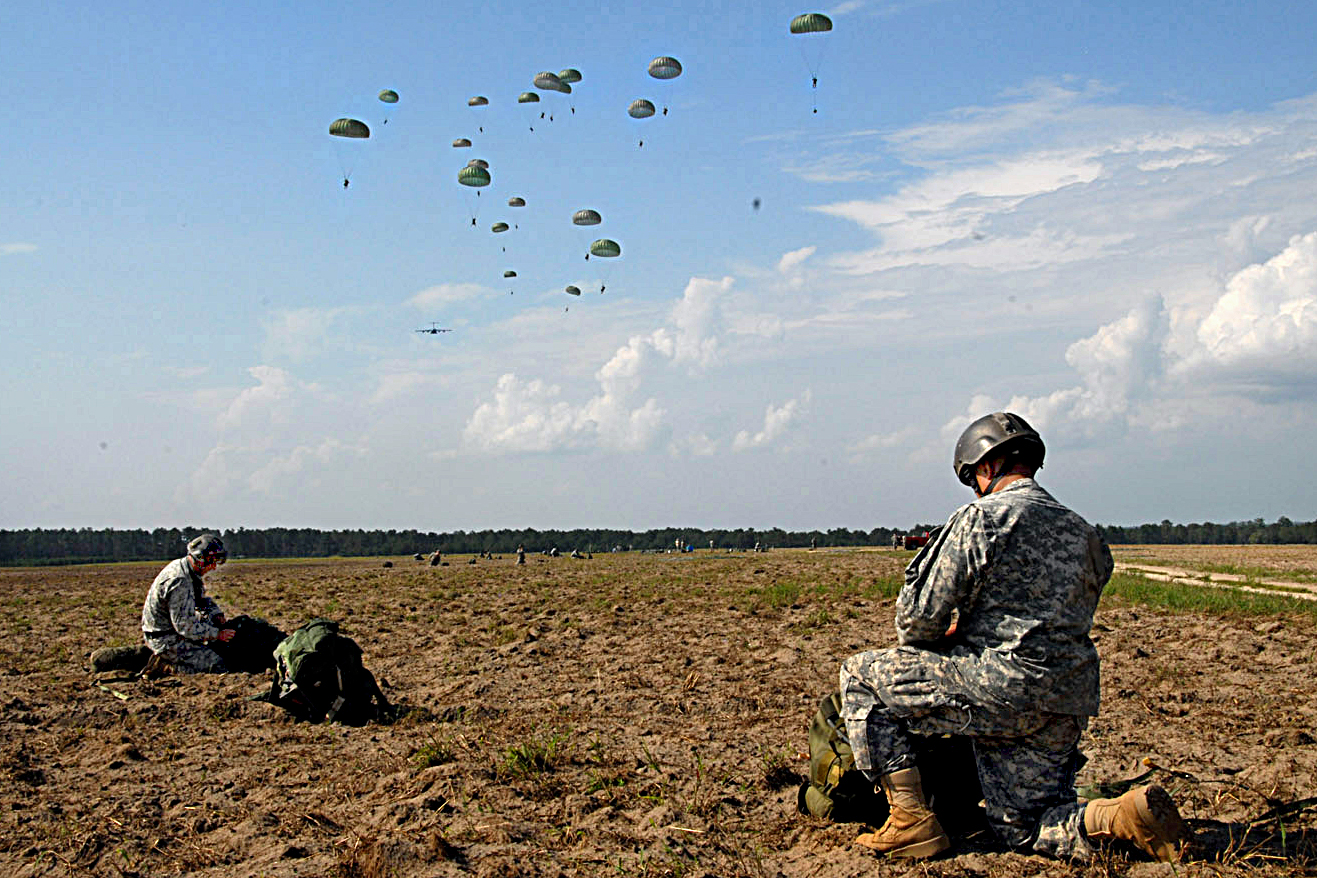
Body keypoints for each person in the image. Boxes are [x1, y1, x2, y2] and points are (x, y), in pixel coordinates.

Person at [838, 412, 1188, 862]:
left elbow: (916, 621)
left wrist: (953, 635)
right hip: (1065, 700)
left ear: (985, 468)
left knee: (861, 676)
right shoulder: (1088, 536)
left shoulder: (982, 518)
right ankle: (1117, 817)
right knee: (1022, 829)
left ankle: (910, 820)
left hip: (997, 686)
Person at [140, 534, 234, 674]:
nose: (214, 567)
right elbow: (184, 626)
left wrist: (216, 614)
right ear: (202, 559)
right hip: (165, 639)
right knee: (215, 664)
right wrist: (217, 634)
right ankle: (165, 667)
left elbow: (201, 600)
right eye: (212, 562)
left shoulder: (189, 572)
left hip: (172, 630)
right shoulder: (180, 581)